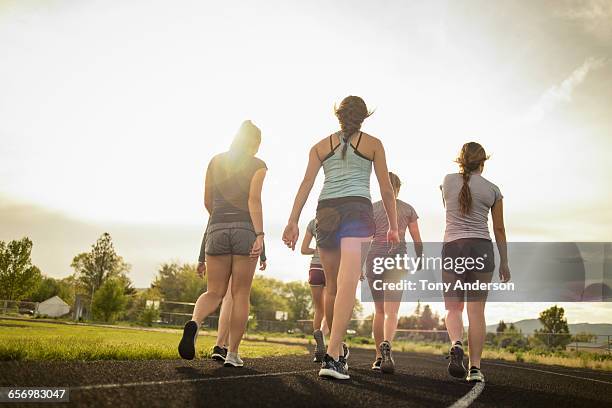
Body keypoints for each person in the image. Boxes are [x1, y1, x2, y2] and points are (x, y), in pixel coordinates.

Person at [283, 96, 399, 380]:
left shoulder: (320, 146)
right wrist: (393, 225)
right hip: (357, 210)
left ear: (339, 116)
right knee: (348, 285)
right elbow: (386, 188)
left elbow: (307, 183)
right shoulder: (373, 143)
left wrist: (293, 220)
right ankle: (334, 356)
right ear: (363, 117)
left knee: (333, 287)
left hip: (326, 210)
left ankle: (336, 351)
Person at [179, 120, 267, 368]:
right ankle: (232, 354)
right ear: (256, 143)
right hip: (244, 230)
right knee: (240, 294)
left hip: (215, 228)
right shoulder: (258, 165)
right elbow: (254, 200)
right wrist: (259, 234)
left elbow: (207, 201)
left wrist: (219, 219)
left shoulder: (215, 161)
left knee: (214, 292)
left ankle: (195, 322)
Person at [441, 142, 510, 383]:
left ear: (461, 160)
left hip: (452, 248)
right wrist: (505, 262)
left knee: (453, 307)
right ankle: (475, 369)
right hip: (481, 248)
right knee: (476, 311)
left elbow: (449, 208)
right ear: (483, 162)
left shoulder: (447, 182)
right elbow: (499, 229)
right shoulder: (493, 190)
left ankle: (456, 343)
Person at [366, 172, 422, 373]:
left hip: (374, 259)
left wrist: (358, 265)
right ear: (399, 188)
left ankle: (379, 357)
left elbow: (365, 239)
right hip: (397, 261)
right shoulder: (408, 209)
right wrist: (420, 258)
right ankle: (387, 343)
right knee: (392, 312)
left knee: (379, 311)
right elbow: (417, 240)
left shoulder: (372, 209)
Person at [196, 231, 267, 362]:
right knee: (237, 296)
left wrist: (201, 258)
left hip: (217, 239)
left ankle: (200, 327)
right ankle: (230, 351)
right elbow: (257, 228)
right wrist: (263, 255)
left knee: (217, 294)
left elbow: (209, 227)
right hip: (243, 240)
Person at [300, 218, 329, 362]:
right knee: (332, 309)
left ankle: (319, 344)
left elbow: (303, 249)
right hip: (331, 269)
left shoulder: (312, 222)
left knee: (319, 309)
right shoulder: (341, 217)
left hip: (315, 268)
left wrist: (316, 250)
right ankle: (325, 338)